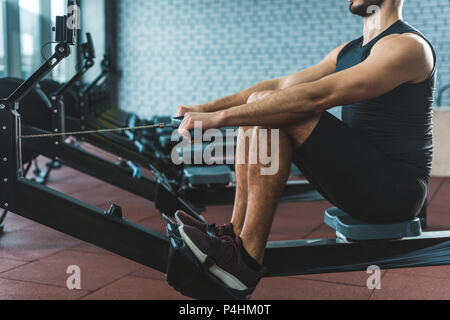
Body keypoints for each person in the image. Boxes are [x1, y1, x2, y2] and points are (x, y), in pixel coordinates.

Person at [174, 0, 435, 296]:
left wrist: (219, 118)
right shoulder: (348, 51)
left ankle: (244, 261)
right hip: (359, 183)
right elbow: (281, 85)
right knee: (261, 104)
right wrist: (202, 108)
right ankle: (234, 235)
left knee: (274, 109)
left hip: (397, 193)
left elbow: (319, 95)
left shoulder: (409, 47)